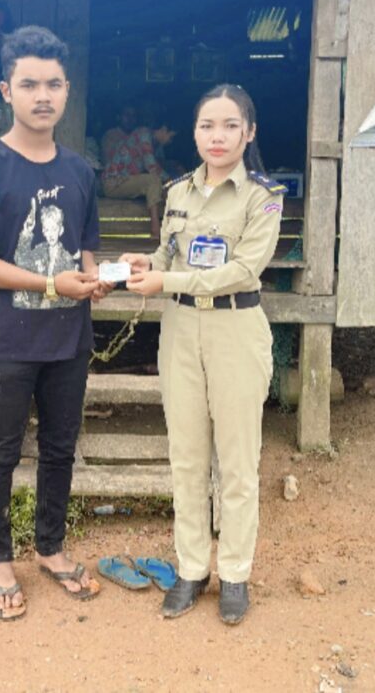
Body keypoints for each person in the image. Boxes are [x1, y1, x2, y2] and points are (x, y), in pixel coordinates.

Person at [0, 25, 111, 621]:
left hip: (69, 337)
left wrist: (96, 277)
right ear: (6, 91)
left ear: (67, 91)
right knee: (2, 449)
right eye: (30, 84)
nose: (43, 96)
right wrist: (48, 284)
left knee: (61, 446)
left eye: (54, 84)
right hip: (8, 338)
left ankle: (50, 547)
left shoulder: (81, 171)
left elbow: (84, 249)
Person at [118, 84, 284, 625]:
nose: (218, 136)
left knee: (237, 461)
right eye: (207, 125)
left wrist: (165, 280)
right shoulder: (177, 192)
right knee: (186, 456)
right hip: (181, 329)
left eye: (230, 125)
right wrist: (143, 266)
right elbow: (167, 254)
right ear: (194, 132)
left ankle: (234, 573)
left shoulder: (264, 197)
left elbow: (243, 270)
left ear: (249, 132)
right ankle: (192, 569)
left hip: (236, 328)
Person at [100, 104, 176, 238]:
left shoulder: (154, 143)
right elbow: (152, 167)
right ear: (164, 129)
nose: (170, 141)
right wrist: (172, 182)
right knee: (153, 180)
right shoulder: (144, 134)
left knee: (159, 184)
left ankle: (171, 227)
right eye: (171, 137)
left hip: (125, 181)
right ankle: (155, 230)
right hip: (113, 182)